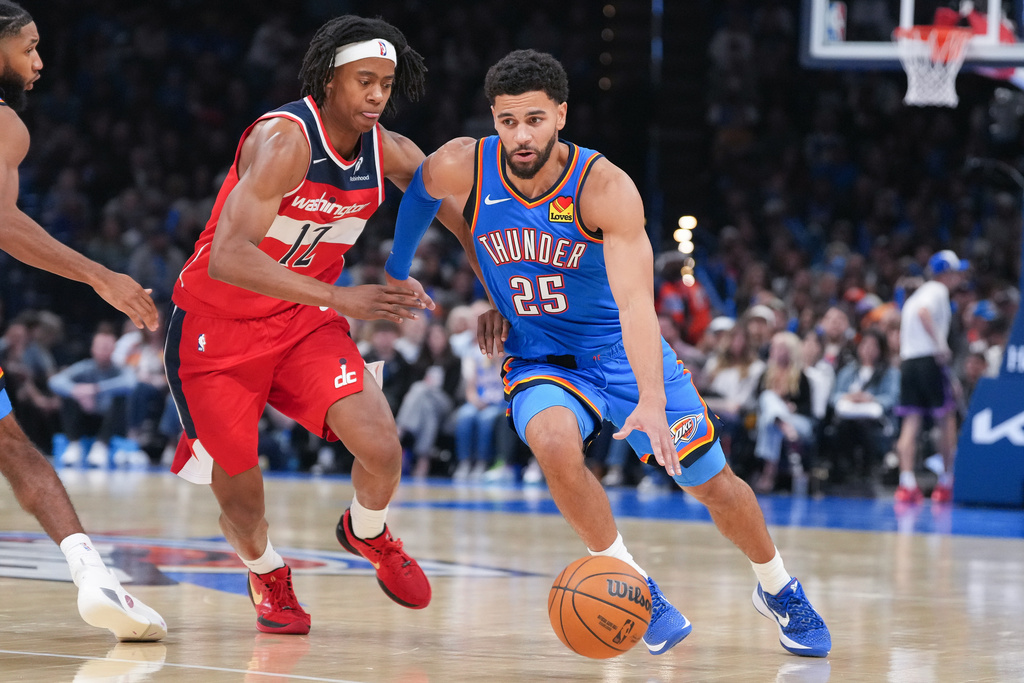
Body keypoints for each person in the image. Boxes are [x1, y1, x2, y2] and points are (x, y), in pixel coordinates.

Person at [384, 49, 830, 657]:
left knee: (713, 485)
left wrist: (651, 399)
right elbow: (420, 195)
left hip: (620, 351)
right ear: (494, 119)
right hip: (539, 358)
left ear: (561, 115)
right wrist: (398, 270)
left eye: (535, 120)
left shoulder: (605, 188)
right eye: (509, 121)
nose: (521, 135)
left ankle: (777, 586)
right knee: (552, 443)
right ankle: (634, 584)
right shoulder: (463, 164)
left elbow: (636, 305)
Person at [165, 15, 473, 635]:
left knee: (382, 448)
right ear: (330, 79)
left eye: (386, 83)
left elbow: (446, 201)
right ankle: (267, 571)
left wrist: (492, 277)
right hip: (215, 330)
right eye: (364, 81)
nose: (377, 95)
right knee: (243, 501)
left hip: (303, 322)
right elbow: (228, 256)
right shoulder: (285, 141)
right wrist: (341, 296)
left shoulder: (386, 149)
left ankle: (366, 530)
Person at [0, 1, 164, 640]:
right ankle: (95, 580)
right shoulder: (5, 121)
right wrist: (100, 275)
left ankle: (96, 577)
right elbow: (4, 222)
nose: (39, 62)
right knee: (16, 451)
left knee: (13, 446)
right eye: (28, 48)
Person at [893, 250, 968, 504]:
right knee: (946, 420)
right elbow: (924, 313)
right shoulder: (937, 290)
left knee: (911, 421)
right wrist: (940, 345)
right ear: (945, 273)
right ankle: (946, 482)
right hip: (928, 360)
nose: (959, 277)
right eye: (956, 272)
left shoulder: (915, 296)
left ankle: (906, 483)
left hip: (909, 362)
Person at [48, 326, 137, 468]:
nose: (103, 351)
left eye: (107, 347)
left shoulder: (120, 370)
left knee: (120, 397)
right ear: (93, 349)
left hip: (111, 423)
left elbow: (130, 383)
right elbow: (55, 381)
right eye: (100, 347)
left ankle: (101, 446)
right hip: (84, 420)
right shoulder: (84, 367)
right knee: (69, 395)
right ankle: (74, 444)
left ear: (113, 349)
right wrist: (77, 391)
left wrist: (96, 389)